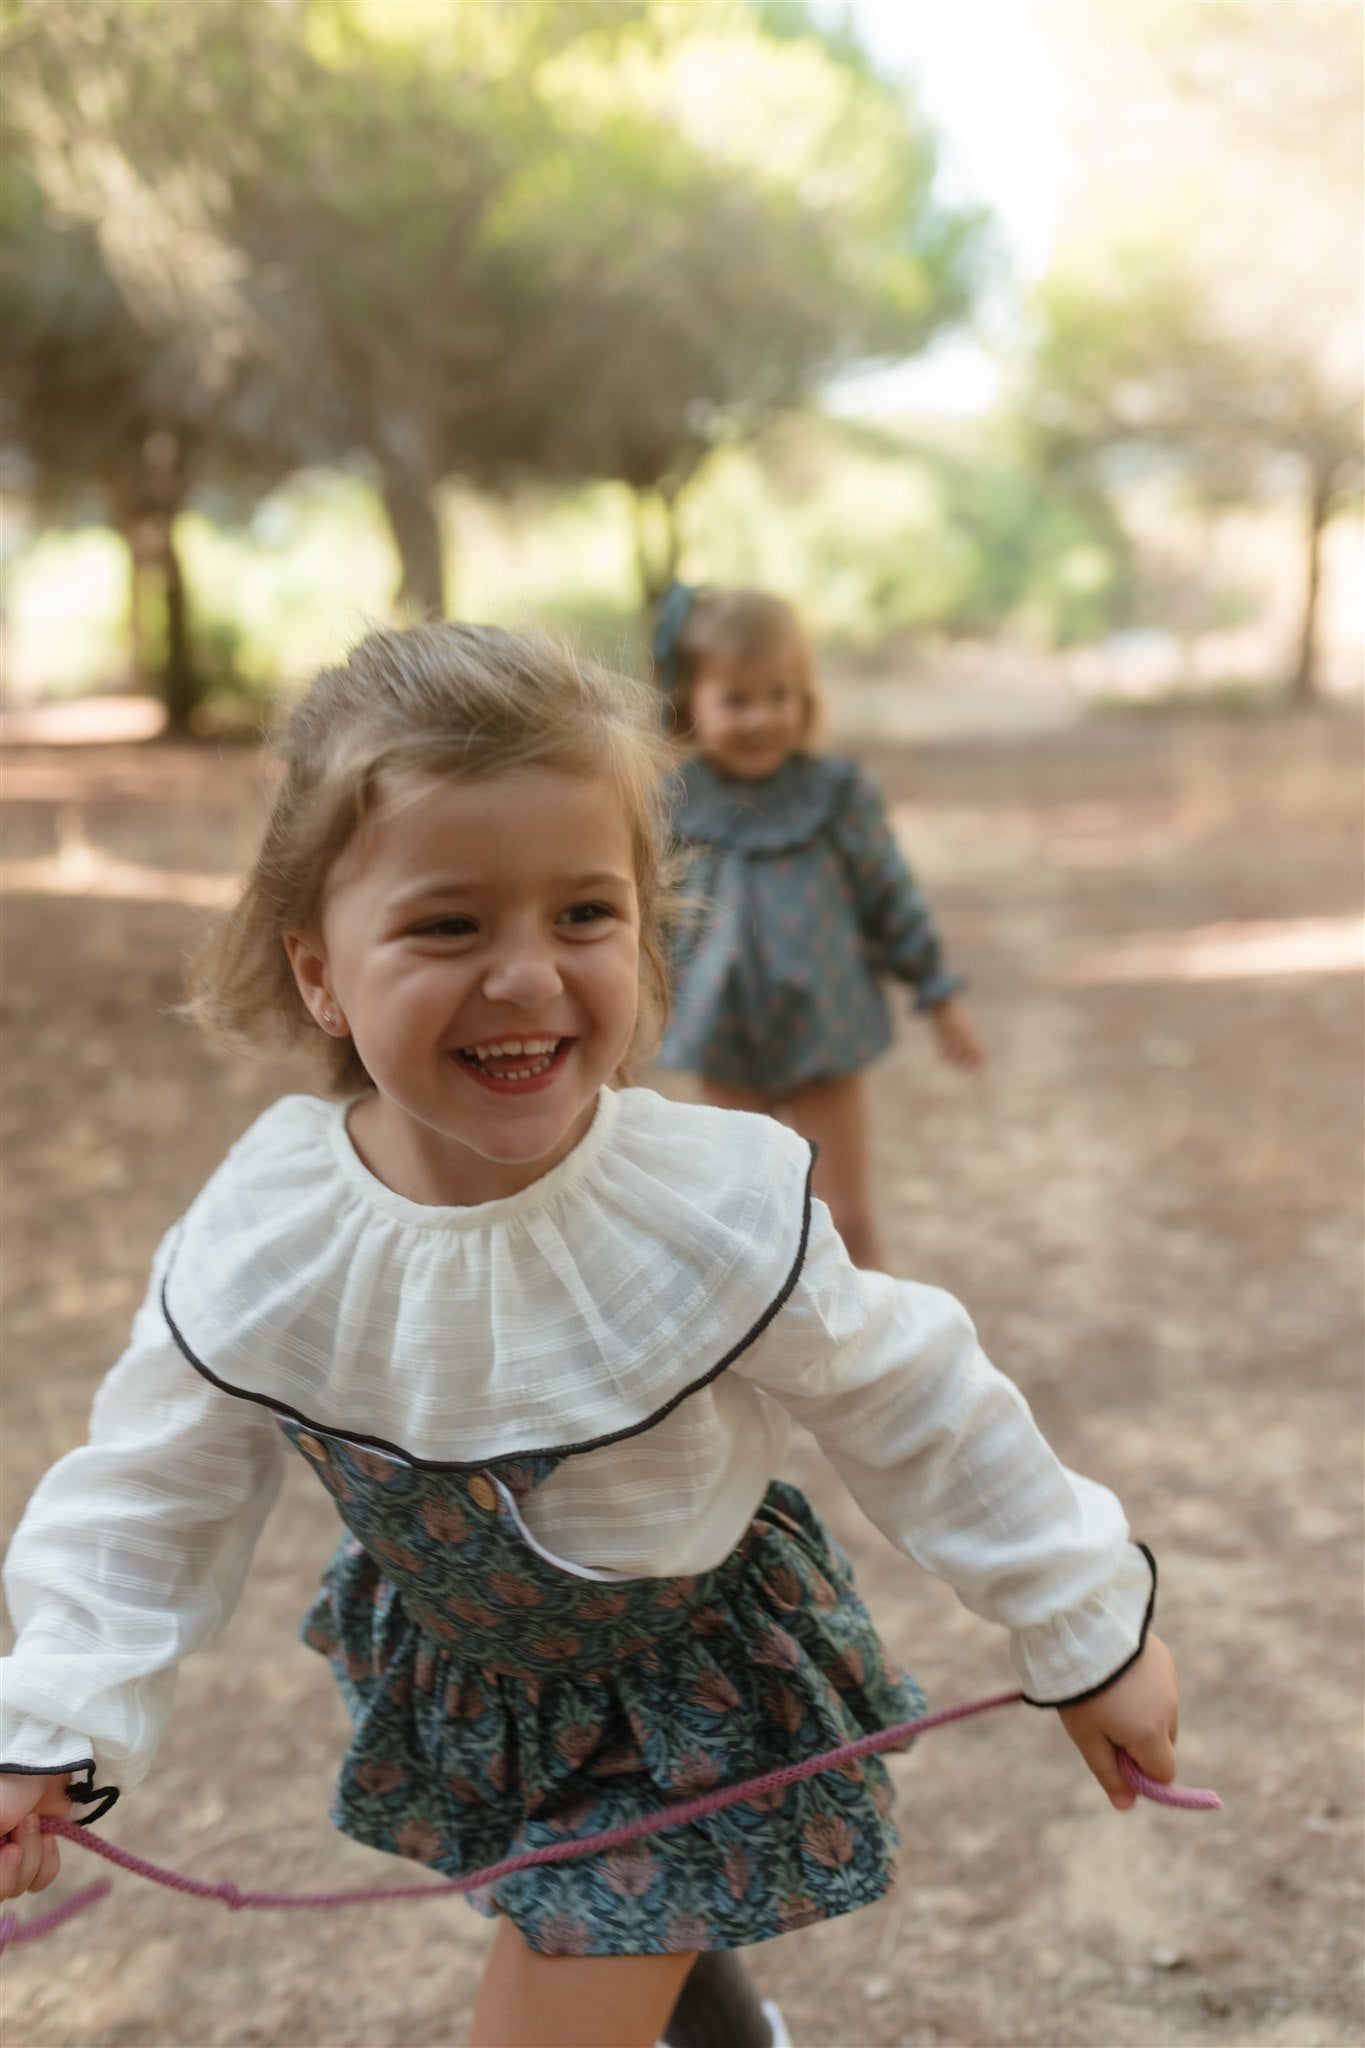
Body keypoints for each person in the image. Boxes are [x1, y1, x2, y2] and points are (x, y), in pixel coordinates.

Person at [0, 623, 1180, 2048]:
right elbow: (148, 1491)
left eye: (584, 915)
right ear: (319, 970)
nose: (525, 978)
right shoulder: (265, 1237)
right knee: (616, 1944)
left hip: (698, 1690)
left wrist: (1085, 1626)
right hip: (476, 1688)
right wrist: (48, 1722)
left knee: (559, 1996)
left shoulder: (709, 1209)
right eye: (448, 924)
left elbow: (915, 1398)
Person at [653, 584, 984, 1271]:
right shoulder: (673, 805)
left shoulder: (835, 796)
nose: (761, 718)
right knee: (740, 1220)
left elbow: (890, 898)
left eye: (779, 695)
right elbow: (643, 920)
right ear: (691, 701)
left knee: (845, 1219)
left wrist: (940, 998)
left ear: (805, 697)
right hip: (724, 1035)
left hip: (825, 1029)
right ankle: (764, 1363)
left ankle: (876, 1364)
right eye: (736, 700)